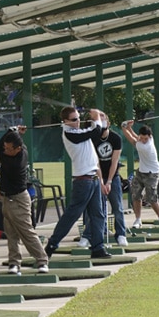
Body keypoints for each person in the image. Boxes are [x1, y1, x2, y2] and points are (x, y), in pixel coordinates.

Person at [43, 107, 111, 259]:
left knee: (98, 215)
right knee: (72, 215)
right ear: (65, 121)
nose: (78, 121)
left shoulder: (79, 132)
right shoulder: (70, 133)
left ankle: (98, 248)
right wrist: (97, 119)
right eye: (74, 119)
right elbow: (96, 131)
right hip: (83, 182)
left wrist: (99, 116)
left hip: (93, 179)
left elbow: (101, 129)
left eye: (79, 118)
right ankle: (52, 244)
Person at [0, 126, 49, 274]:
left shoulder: (14, 163)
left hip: (18, 199)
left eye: (8, 148)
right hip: (7, 198)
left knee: (25, 231)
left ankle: (42, 260)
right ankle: (14, 263)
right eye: (5, 148)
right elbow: (0, 146)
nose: (5, 150)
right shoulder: (22, 149)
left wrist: (12, 132)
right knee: (10, 232)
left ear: (17, 149)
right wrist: (12, 132)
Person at [77, 109, 128, 247]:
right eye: (98, 118)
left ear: (108, 122)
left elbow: (115, 161)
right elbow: (96, 163)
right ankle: (88, 236)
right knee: (93, 208)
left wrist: (109, 181)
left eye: (103, 117)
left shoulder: (116, 138)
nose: (101, 120)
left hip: (113, 177)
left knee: (117, 207)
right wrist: (101, 182)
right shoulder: (93, 139)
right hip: (96, 177)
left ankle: (121, 234)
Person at [121, 121, 159, 228]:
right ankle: (138, 220)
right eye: (141, 138)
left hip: (152, 173)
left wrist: (124, 127)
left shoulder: (146, 146)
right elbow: (136, 137)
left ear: (149, 137)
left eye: (145, 139)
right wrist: (129, 128)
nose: (143, 140)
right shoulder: (146, 139)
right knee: (135, 195)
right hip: (141, 171)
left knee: (151, 197)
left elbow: (131, 139)